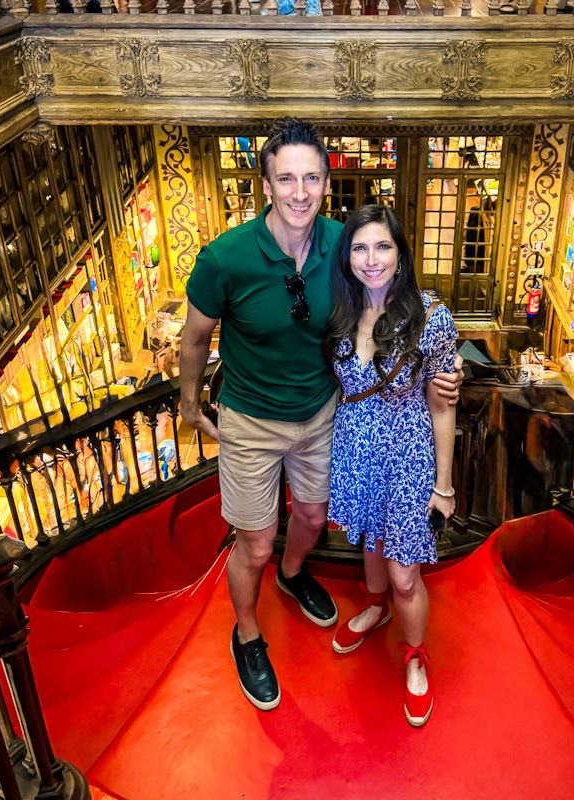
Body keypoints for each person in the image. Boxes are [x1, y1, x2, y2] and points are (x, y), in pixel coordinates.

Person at [179, 118, 462, 713]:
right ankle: (249, 634)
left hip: (324, 415)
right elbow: (195, 339)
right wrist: (188, 406)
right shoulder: (223, 258)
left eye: (311, 178)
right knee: (252, 543)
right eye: (287, 179)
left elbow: (396, 295)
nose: (300, 192)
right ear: (266, 186)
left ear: (327, 183)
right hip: (251, 419)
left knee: (310, 515)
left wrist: (443, 370)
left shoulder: (344, 245)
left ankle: (293, 570)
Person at [325, 205, 457, 728]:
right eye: (360, 248)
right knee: (372, 544)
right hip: (356, 448)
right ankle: (375, 606)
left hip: (407, 454)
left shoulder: (430, 317)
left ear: (400, 254)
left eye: (382, 246)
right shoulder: (340, 309)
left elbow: (443, 402)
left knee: (407, 573)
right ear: (347, 257)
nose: (371, 258)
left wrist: (443, 487)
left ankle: (416, 653)